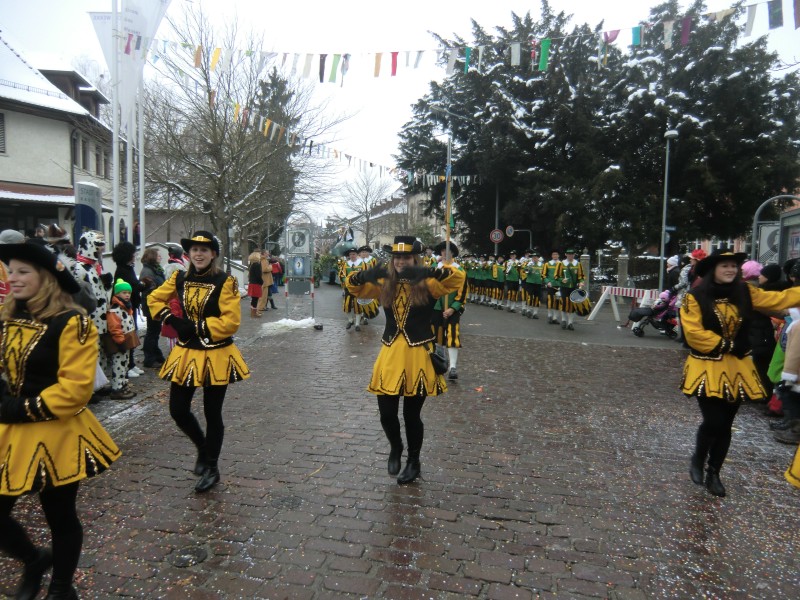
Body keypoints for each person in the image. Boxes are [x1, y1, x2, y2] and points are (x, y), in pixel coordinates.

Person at [0, 242, 121, 599]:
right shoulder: (7, 316)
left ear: (47, 277)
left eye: (23, 271)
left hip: (57, 433)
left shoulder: (73, 322)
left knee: (60, 515)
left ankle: (61, 588)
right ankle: (34, 559)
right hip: (10, 431)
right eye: (11, 270)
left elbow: (76, 389)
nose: (13, 277)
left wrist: (17, 409)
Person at [346, 235, 466, 484]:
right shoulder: (384, 281)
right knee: (386, 413)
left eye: (406, 257)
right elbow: (354, 288)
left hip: (418, 354)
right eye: (397, 257)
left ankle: (414, 461)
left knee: (412, 415)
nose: (401, 261)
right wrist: (360, 276)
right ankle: (395, 447)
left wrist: (432, 270)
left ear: (414, 258)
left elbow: (457, 279)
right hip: (390, 352)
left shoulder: (429, 282)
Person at [681, 248, 800, 498]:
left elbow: (778, 301)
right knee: (713, 420)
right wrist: (728, 345)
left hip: (738, 368)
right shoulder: (694, 297)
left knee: (726, 424)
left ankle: (714, 472)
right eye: (725, 266)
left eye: (734, 266)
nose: (730, 270)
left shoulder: (746, 292)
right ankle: (698, 457)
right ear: (713, 269)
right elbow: (694, 333)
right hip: (707, 366)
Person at [147, 231, 250, 493]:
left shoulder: (225, 281)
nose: (199, 254)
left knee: (212, 413)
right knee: (177, 409)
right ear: (188, 253)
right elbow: (154, 298)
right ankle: (203, 449)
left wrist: (196, 326)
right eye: (194, 249)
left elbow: (230, 321)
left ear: (213, 253)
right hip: (186, 354)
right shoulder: (179, 277)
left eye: (204, 250)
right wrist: (170, 319)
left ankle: (212, 468)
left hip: (216, 354)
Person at [431, 242, 468, 381]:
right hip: (436, 307)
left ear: (453, 253)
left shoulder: (460, 270)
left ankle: (453, 367)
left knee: (452, 335)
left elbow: (463, 292)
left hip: (452, 308)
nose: (445, 254)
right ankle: (439, 364)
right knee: (436, 336)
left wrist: (453, 308)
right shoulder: (435, 268)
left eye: (448, 251)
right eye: (442, 251)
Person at [112, 241, 145, 380]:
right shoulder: (122, 270)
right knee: (128, 334)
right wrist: (141, 286)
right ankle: (128, 365)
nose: (134, 256)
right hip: (124, 308)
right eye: (132, 254)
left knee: (133, 333)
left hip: (132, 306)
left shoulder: (128, 268)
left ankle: (131, 363)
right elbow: (128, 288)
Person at [106, 279, 140, 399]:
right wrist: (120, 341)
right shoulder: (115, 309)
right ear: (117, 294)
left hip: (126, 341)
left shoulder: (126, 307)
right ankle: (117, 388)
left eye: (128, 293)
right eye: (124, 292)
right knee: (119, 365)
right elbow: (115, 327)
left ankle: (123, 384)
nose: (127, 295)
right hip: (120, 342)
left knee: (125, 364)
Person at [139, 247, 167, 368]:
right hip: (152, 305)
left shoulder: (155, 270)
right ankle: (149, 358)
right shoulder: (148, 272)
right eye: (158, 255)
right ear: (153, 257)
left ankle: (156, 355)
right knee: (152, 331)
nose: (160, 257)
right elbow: (149, 291)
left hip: (156, 304)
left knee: (155, 331)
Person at [543, 250, 563, 324]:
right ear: (551, 256)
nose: (555, 256)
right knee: (550, 301)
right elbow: (544, 275)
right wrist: (547, 282)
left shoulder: (562, 264)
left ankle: (555, 318)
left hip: (559, 285)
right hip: (550, 285)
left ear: (558, 255)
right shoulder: (547, 264)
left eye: (556, 254)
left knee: (558, 302)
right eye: (553, 254)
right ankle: (550, 316)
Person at [256, 250, 276, 314]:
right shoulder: (263, 260)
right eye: (267, 253)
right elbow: (265, 269)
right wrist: (270, 267)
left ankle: (263, 306)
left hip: (264, 280)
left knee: (264, 295)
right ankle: (261, 307)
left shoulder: (263, 260)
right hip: (265, 280)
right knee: (263, 295)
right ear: (264, 253)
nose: (268, 254)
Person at [247, 251, 263, 318]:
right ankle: (254, 313)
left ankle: (252, 313)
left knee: (253, 299)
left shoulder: (252, 264)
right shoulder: (257, 264)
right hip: (256, 284)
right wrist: (261, 282)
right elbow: (258, 275)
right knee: (255, 299)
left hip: (252, 283)